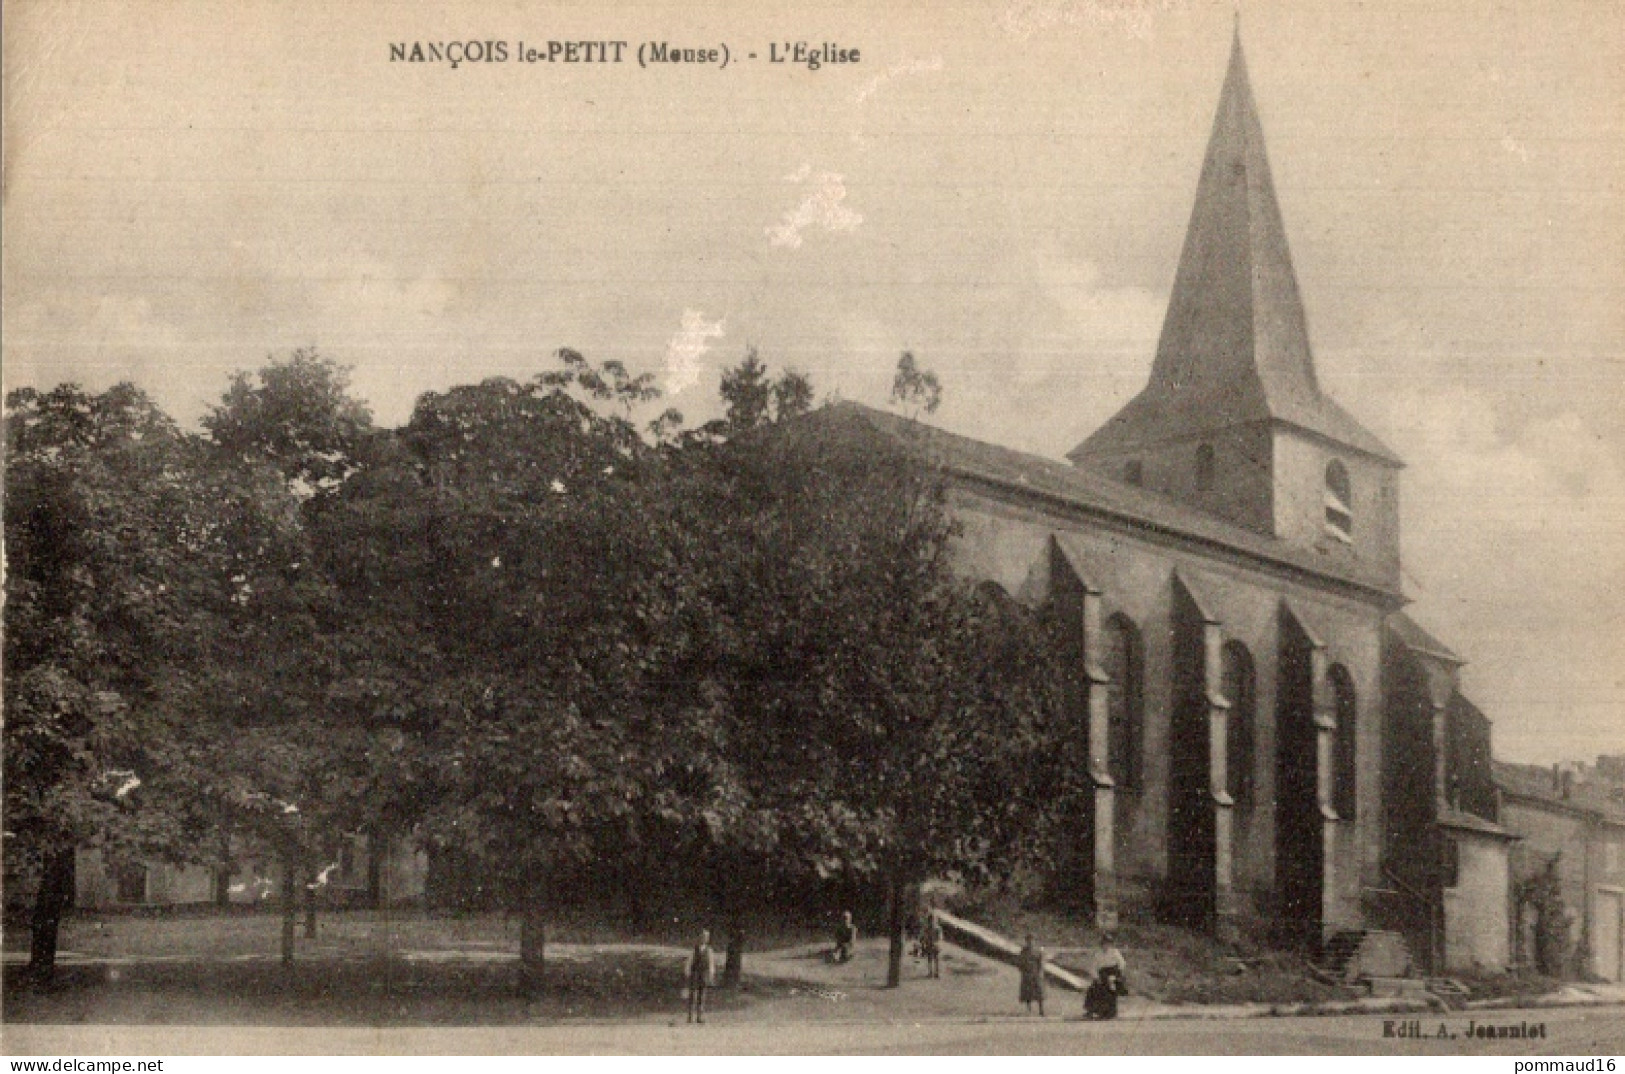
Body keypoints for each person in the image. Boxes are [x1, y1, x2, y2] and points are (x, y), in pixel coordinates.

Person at [1084, 932, 1128, 1020]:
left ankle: (1110, 1012)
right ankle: (1091, 1011)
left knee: (1110, 988)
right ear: (1102, 944)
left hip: (1113, 972)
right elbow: (1093, 967)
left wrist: (1117, 974)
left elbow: (1122, 963)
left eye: (1108, 943)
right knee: (1093, 989)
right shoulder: (1098, 954)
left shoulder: (1114, 952)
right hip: (1102, 974)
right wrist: (1097, 978)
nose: (1106, 945)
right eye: (1104, 943)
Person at [683, 928, 716, 1024]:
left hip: (704, 975)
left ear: (708, 939)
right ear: (699, 938)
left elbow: (711, 964)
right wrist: (687, 972)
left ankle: (699, 1016)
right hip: (695, 974)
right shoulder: (694, 949)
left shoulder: (709, 951)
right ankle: (690, 1016)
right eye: (702, 937)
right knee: (692, 995)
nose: (704, 939)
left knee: (702, 996)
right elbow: (689, 962)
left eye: (706, 937)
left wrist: (711, 974)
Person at [1018, 933, 1046, 1016]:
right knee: (1027, 993)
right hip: (1026, 974)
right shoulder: (1023, 951)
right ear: (1026, 941)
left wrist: (1040, 972)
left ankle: (1041, 1010)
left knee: (1039, 992)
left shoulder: (1038, 951)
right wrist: (1022, 969)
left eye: (1032, 940)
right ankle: (1029, 1009)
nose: (1030, 942)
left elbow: (1041, 962)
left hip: (1035, 973)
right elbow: (1020, 961)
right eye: (1028, 940)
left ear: (1034, 941)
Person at [920, 910, 943, 979]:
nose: (931, 921)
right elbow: (924, 936)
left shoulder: (938, 928)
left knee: (936, 959)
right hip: (929, 944)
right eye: (930, 920)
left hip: (936, 945)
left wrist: (937, 942)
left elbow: (940, 937)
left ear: (935, 920)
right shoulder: (927, 928)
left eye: (932, 920)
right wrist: (924, 942)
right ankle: (930, 972)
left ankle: (937, 973)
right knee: (929, 959)